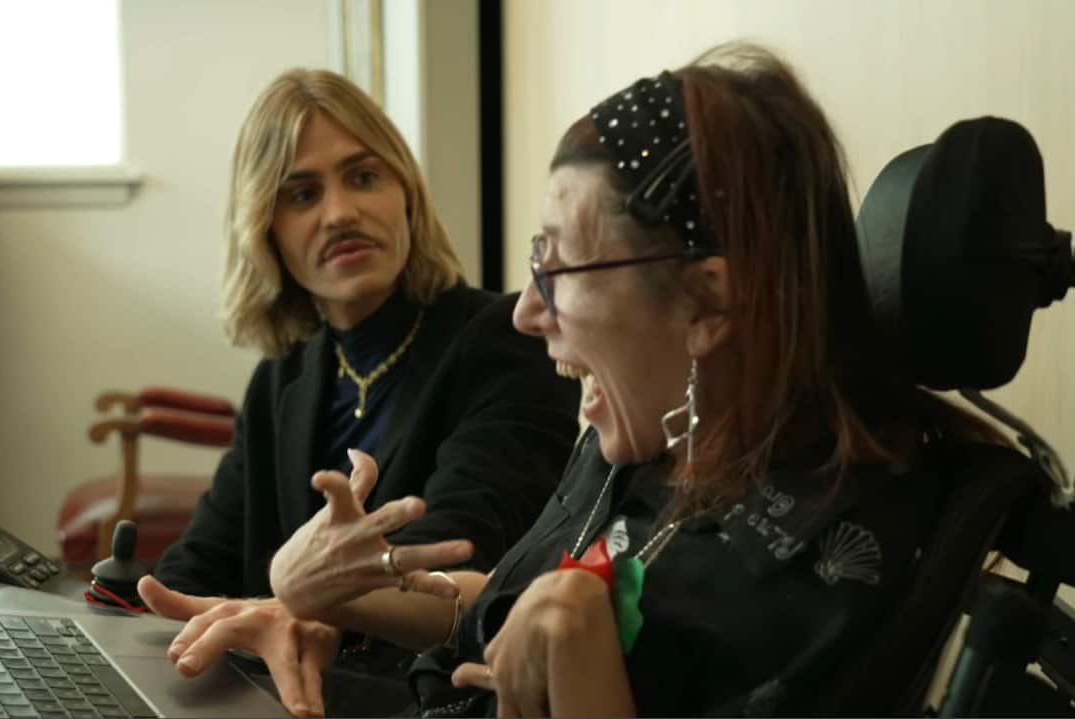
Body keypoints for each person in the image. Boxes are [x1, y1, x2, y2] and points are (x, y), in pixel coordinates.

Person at [254, 43, 1007, 716]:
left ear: (708, 302)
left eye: (559, 269)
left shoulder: (827, 551)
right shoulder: (662, 432)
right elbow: (515, 611)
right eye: (534, 260)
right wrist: (328, 590)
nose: (524, 312)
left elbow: (579, 629)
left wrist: (576, 646)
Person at [137, 68, 581, 716]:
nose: (341, 212)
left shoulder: (505, 340)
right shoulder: (283, 377)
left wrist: (291, 602)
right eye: (302, 193)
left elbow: (459, 570)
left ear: (406, 193)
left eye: (364, 176)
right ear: (266, 229)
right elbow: (197, 567)